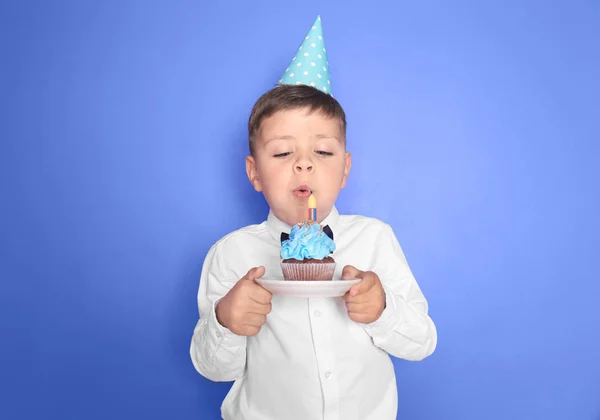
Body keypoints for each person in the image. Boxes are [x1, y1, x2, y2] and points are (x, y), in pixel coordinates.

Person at [190, 16, 437, 420]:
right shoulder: (232, 254)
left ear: (344, 168)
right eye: (283, 153)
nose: (303, 165)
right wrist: (226, 320)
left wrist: (383, 309)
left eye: (322, 153)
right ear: (254, 172)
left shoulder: (374, 240)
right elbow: (214, 370)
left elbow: (422, 342)